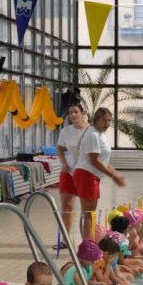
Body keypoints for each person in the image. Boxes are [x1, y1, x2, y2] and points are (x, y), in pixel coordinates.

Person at [72, 107, 127, 244]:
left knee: (90, 213)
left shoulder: (100, 134)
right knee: (88, 213)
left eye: (109, 121)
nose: (107, 124)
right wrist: (113, 176)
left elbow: (104, 161)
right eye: (104, 120)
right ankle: (87, 245)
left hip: (92, 176)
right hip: (86, 174)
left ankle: (88, 242)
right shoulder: (93, 135)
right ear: (96, 119)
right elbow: (94, 160)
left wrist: (115, 174)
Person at [55, 102, 88, 243]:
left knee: (86, 209)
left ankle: (86, 241)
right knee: (66, 206)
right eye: (70, 113)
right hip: (68, 172)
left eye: (75, 112)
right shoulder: (65, 131)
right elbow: (59, 148)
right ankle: (65, 239)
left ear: (82, 113)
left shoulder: (90, 130)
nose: (73, 115)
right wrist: (64, 164)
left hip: (85, 173)